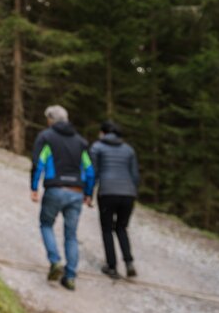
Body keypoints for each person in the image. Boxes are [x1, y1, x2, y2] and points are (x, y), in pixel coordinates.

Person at [30, 105, 95, 291]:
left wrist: (34, 187)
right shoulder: (81, 141)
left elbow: (38, 163)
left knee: (46, 224)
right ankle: (71, 276)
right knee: (71, 235)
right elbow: (90, 170)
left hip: (55, 189)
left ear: (50, 120)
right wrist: (88, 193)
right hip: (76, 192)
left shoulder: (46, 137)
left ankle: (55, 261)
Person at [90, 119, 139, 279]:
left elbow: (93, 173)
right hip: (128, 194)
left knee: (106, 229)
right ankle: (129, 262)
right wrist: (133, 192)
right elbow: (134, 175)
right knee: (122, 228)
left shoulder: (97, 147)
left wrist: (88, 193)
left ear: (103, 132)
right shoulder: (128, 150)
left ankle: (112, 266)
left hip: (108, 192)